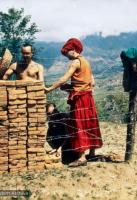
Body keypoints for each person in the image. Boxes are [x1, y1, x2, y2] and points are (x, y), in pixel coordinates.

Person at [45, 38, 103, 167]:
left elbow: (63, 78)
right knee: (90, 123)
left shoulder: (75, 63)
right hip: (88, 97)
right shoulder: (86, 62)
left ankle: (82, 158)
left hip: (79, 100)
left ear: (73, 50)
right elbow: (91, 82)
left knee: (79, 125)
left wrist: (49, 89)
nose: (66, 56)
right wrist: (71, 88)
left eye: (66, 52)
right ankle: (92, 153)